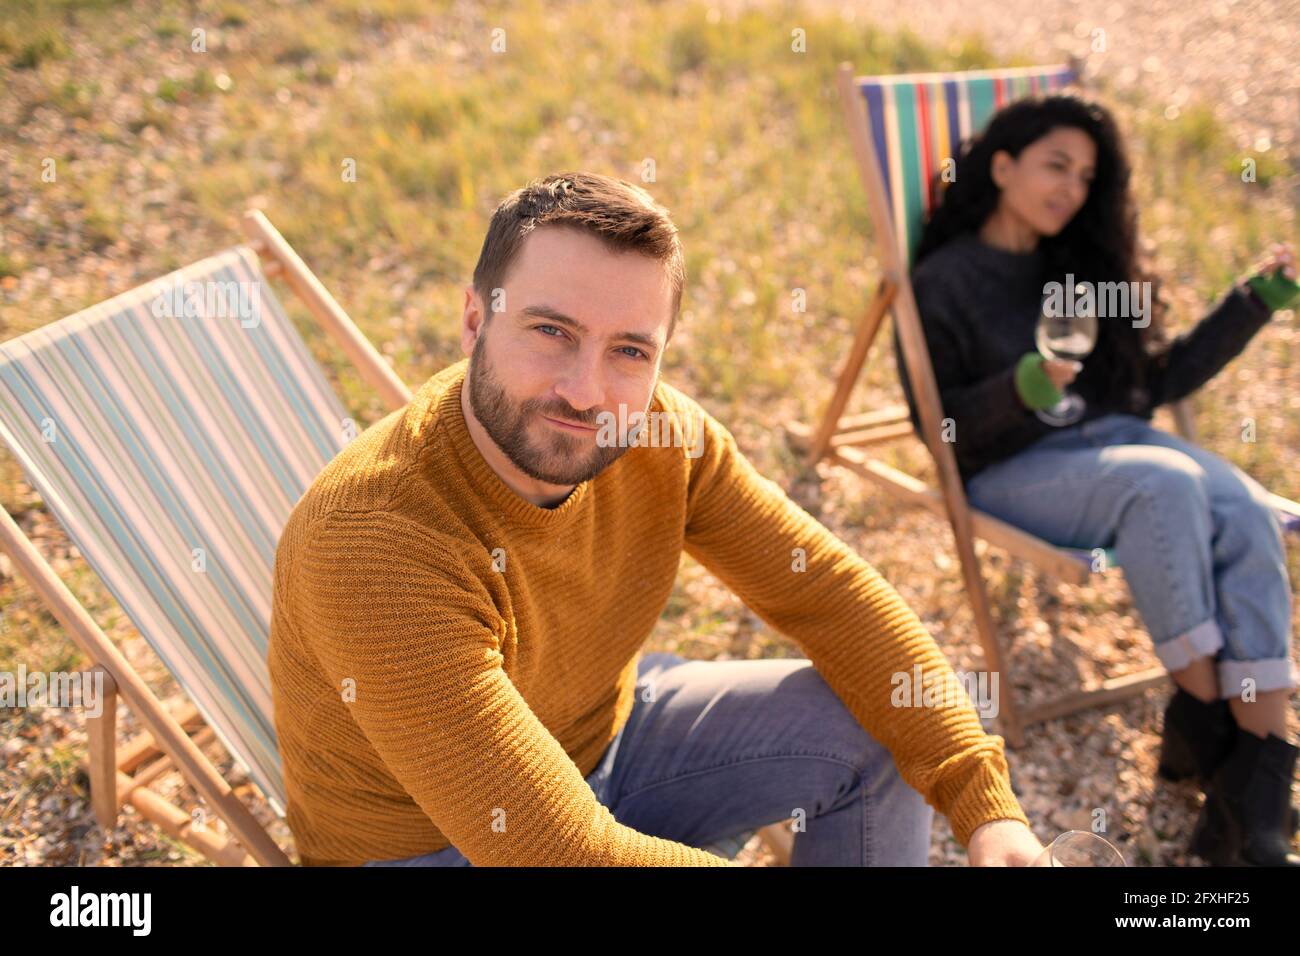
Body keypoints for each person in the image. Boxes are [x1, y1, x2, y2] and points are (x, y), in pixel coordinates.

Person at [268, 171, 1043, 867]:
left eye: (630, 351)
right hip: (441, 848)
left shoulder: (662, 436)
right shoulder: (376, 544)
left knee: (887, 724)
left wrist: (983, 802)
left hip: (607, 740)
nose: (585, 391)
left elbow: (827, 592)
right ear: (474, 320)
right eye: (552, 331)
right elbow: (556, 851)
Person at [896, 92, 1300, 866]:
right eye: (1056, 165)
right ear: (1004, 165)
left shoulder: (1079, 264)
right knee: (1163, 482)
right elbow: (937, 426)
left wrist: (1251, 305)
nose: (1072, 188)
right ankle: (1209, 738)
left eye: (1085, 175)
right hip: (1009, 469)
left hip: (1110, 442)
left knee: (1244, 502)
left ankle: (1255, 799)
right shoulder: (942, 281)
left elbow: (1151, 387)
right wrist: (1024, 387)